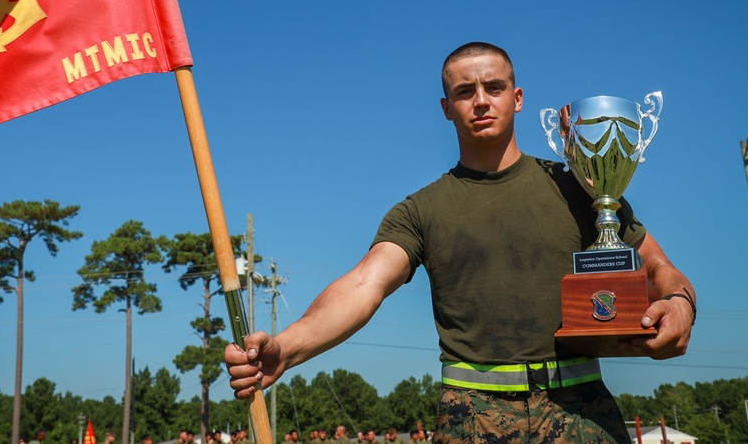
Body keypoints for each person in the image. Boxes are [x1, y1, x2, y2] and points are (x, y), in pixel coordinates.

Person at [224, 42, 696, 444]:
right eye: (465, 92)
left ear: (518, 98)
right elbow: (362, 285)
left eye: (494, 87)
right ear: (446, 108)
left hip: (582, 412)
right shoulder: (421, 209)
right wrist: (287, 347)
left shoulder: (582, 184)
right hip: (471, 417)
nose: (481, 101)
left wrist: (679, 304)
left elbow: (657, 267)